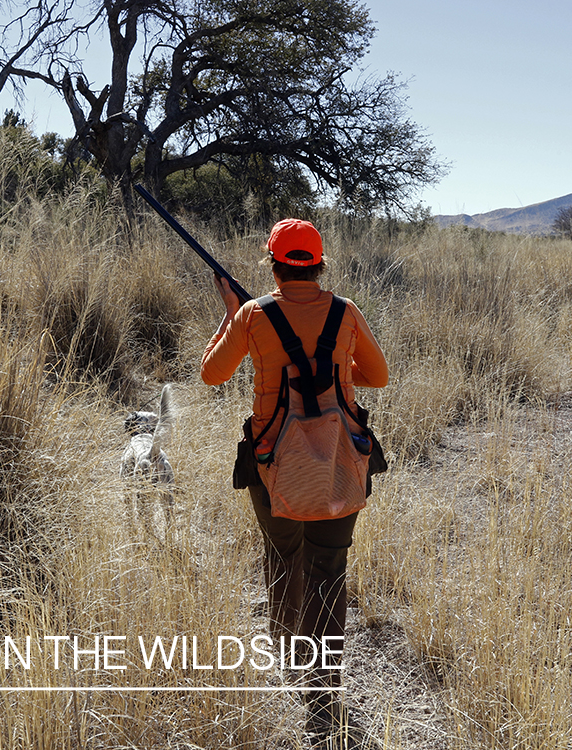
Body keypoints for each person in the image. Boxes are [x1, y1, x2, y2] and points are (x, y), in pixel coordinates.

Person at [200, 218, 388, 748]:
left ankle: (288, 658)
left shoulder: (253, 315)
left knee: (283, 555)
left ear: (273, 264)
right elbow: (378, 376)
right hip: (340, 460)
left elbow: (211, 374)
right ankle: (325, 685)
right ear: (319, 263)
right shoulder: (346, 312)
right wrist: (333, 365)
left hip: (271, 463)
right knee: (329, 567)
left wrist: (230, 318)